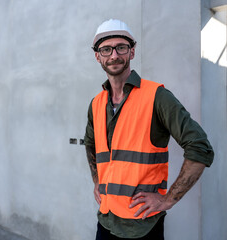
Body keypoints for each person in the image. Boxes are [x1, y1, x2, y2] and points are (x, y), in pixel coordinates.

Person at [84, 19, 214, 240]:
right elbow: (91, 144)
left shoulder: (156, 96)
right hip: (106, 219)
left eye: (121, 47)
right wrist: (97, 181)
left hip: (142, 225)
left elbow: (199, 146)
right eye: (106, 49)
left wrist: (169, 199)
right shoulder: (96, 103)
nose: (114, 55)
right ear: (98, 56)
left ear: (132, 52)